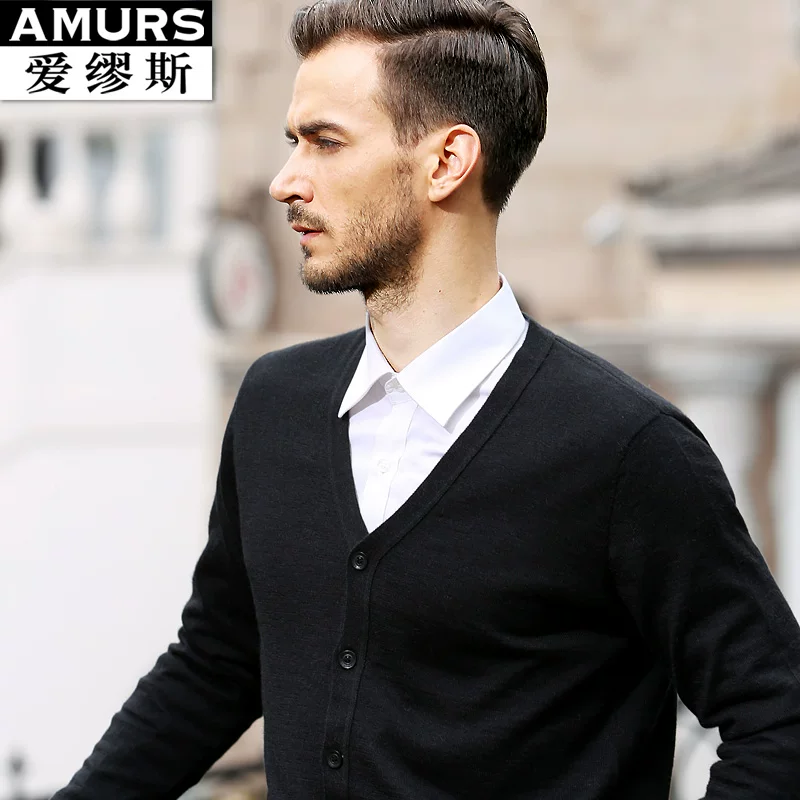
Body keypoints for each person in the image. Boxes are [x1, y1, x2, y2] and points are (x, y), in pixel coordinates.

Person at [52, 1, 800, 798]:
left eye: (325, 142)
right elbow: (217, 662)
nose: (286, 181)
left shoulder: (624, 449)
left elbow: (778, 717)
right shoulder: (275, 408)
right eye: (291, 142)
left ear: (447, 161)